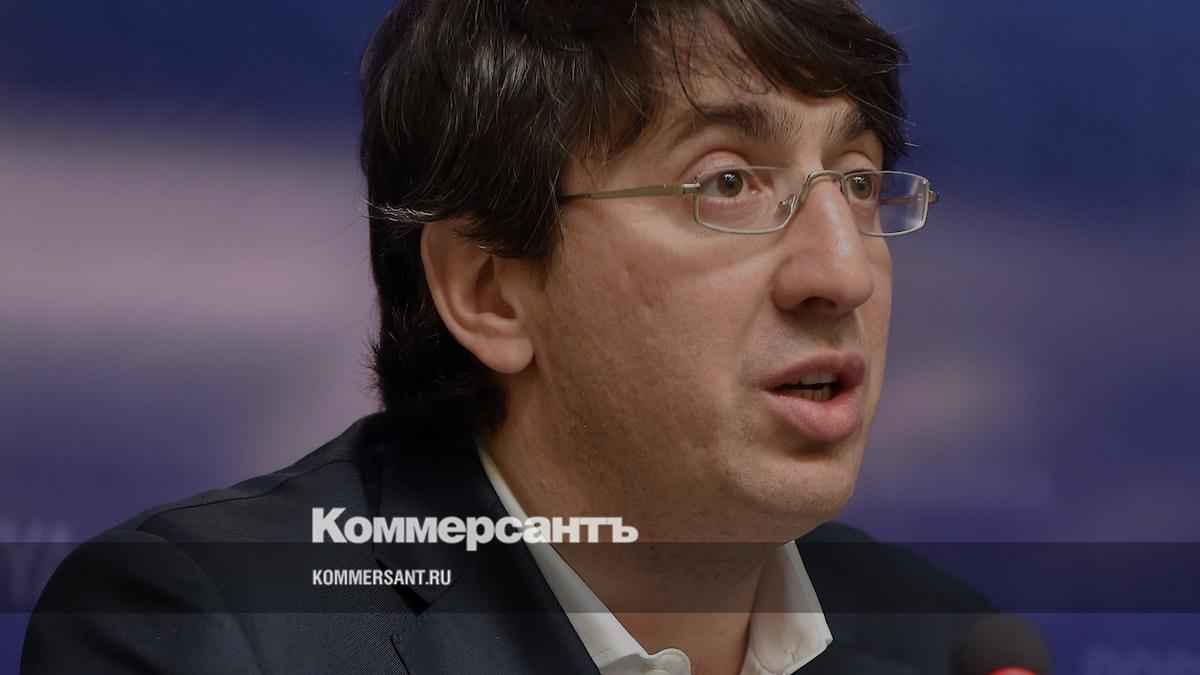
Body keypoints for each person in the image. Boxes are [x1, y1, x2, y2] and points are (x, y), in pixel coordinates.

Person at [23, 1, 993, 673]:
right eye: (728, 184)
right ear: (488, 291)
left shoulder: (949, 642)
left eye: (857, 182)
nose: (843, 273)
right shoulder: (212, 630)